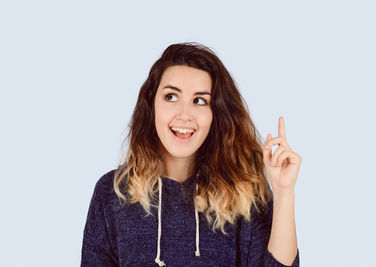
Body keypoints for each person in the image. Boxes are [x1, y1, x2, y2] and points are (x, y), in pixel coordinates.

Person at [81, 42, 302, 266]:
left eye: (199, 101)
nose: (184, 114)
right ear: (151, 105)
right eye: (171, 97)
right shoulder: (113, 192)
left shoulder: (244, 192)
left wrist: (284, 192)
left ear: (215, 113)